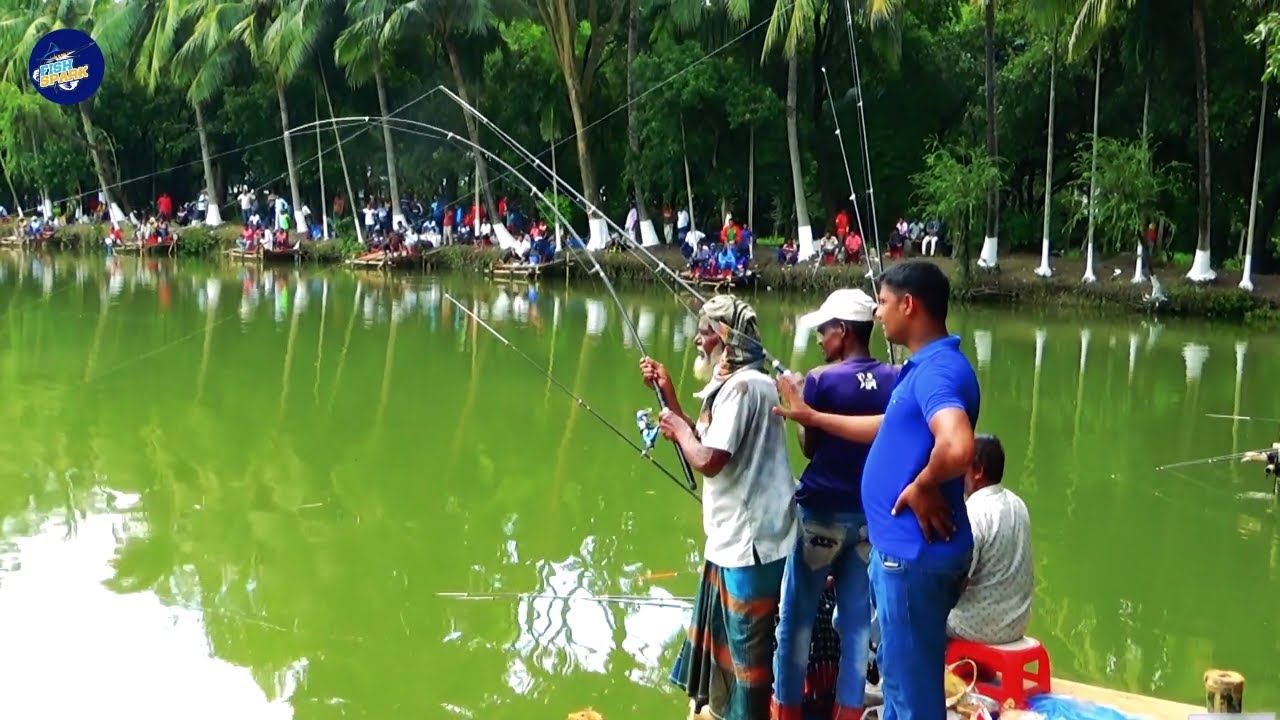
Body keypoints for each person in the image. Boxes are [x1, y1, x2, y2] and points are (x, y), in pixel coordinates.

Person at [774, 260, 979, 720]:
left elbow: (957, 445)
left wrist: (923, 484)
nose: (878, 313)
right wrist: (813, 417)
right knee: (897, 675)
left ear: (908, 305)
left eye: (883, 302)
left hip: (909, 555)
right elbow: (888, 426)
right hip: (896, 549)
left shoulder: (935, 372)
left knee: (908, 694)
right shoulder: (921, 367)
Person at [640, 295, 799, 720]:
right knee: (735, 644)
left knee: (748, 651)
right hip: (735, 539)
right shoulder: (738, 384)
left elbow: (709, 459)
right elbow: (705, 442)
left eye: (706, 332)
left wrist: (678, 429)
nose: (698, 339)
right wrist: (668, 395)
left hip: (751, 544)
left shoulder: (744, 388)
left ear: (728, 340)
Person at [772, 289, 897, 720]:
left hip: (821, 515)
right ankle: (847, 712)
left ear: (842, 331)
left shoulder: (821, 379)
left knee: (797, 620)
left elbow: (810, 446)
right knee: (858, 626)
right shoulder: (896, 377)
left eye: (824, 331)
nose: (821, 339)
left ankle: (787, 711)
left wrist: (797, 401)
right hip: (867, 520)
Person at [947, 435, 1032, 646]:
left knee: (921, 611)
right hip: (1017, 624)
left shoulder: (974, 513)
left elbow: (958, 581)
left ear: (978, 471)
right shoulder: (1017, 504)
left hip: (978, 629)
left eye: (963, 466)